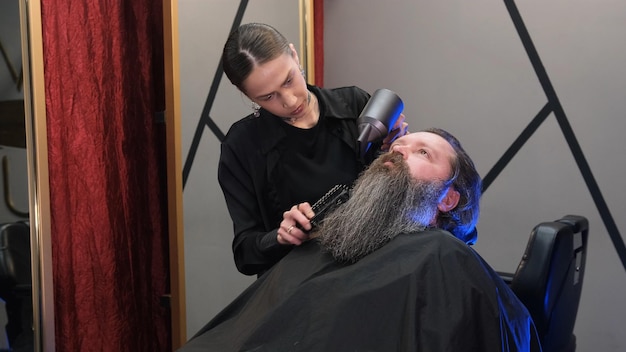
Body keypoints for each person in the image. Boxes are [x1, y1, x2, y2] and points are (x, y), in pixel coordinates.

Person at [180, 129, 542, 352]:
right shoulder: (333, 237)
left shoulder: (444, 258)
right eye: (399, 145)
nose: (399, 150)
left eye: (423, 153)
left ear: (448, 199)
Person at [218, 22, 408, 276]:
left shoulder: (354, 105)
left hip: (374, 270)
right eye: (268, 97)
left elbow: (399, 201)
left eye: (288, 80)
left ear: (295, 56)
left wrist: (398, 153)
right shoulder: (243, 146)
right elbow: (245, 254)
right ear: (249, 96)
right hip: (301, 288)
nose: (290, 100)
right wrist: (279, 236)